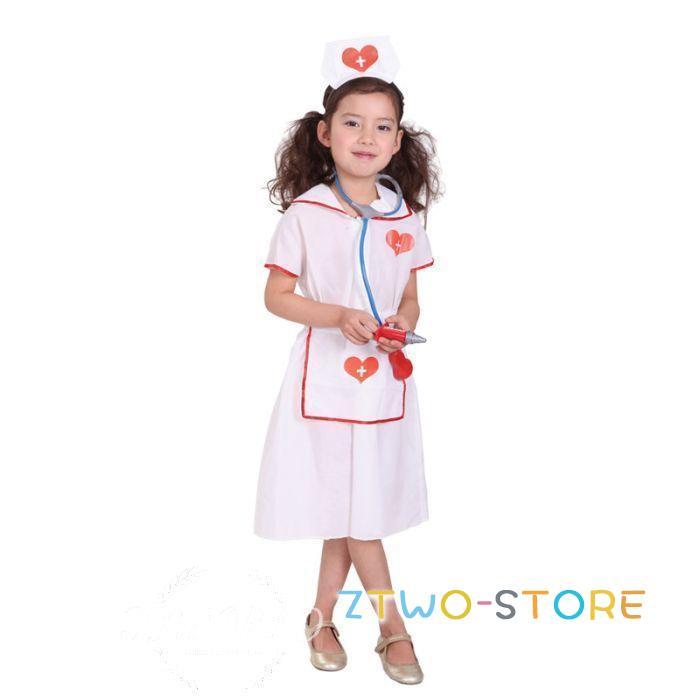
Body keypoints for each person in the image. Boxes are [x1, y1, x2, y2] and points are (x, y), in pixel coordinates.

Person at [254, 36, 443, 684]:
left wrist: (402, 324)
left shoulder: (404, 215)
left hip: (383, 380)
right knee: (355, 510)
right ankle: (393, 628)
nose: (367, 136)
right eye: (353, 123)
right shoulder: (306, 214)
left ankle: (322, 617)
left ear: (398, 141)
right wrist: (337, 316)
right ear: (325, 132)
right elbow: (277, 296)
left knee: (352, 507)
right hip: (326, 381)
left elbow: (411, 297)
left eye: (382, 126)